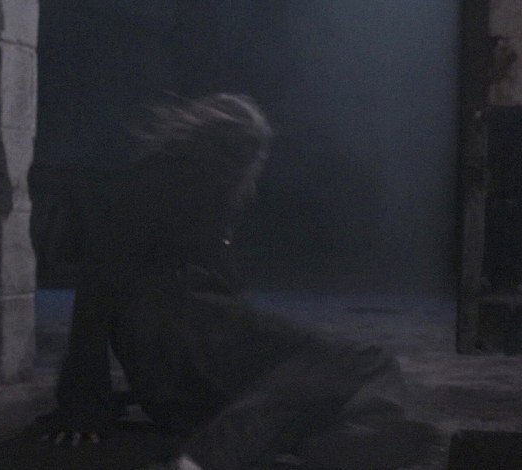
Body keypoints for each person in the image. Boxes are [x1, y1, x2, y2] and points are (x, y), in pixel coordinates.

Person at [43, 94, 426, 469]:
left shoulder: (178, 197)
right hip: (187, 341)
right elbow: (98, 286)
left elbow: (105, 286)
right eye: (256, 165)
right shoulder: (160, 201)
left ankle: (323, 443)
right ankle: (208, 457)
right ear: (237, 159)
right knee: (361, 362)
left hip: (182, 389)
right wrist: (82, 404)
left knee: (332, 384)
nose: (254, 180)